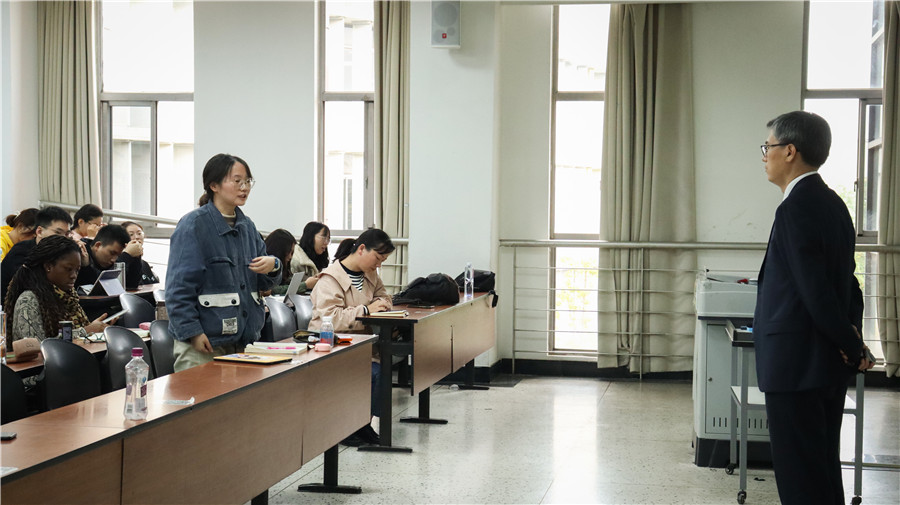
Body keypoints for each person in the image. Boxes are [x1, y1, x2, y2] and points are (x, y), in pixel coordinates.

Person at [753, 111, 874, 505]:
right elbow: (848, 283)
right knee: (822, 472)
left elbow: (815, 291)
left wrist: (851, 344)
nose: (765, 156)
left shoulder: (794, 208)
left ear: (790, 151)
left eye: (768, 147)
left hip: (796, 366)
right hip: (826, 363)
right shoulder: (834, 204)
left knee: (801, 481)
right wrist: (852, 341)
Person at [165, 153, 281, 371]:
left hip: (243, 342)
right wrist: (193, 332)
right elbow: (178, 288)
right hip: (204, 344)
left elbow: (264, 285)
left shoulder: (248, 227)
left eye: (248, 181)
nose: (244, 188)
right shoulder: (193, 225)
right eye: (237, 181)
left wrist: (273, 266)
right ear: (214, 185)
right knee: (202, 393)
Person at [308, 228, 394, 446]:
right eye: (377, 258)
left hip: (360, 345)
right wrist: (366, 310)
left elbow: (384, 296)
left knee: (381, 368)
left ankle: (363, 424)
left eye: (383, 261)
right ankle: (352, 426)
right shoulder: (330, 279)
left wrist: (383, 304)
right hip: (333, 346)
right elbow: (330, 318)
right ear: (362, 249)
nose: (378, 265)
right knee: (374, 372)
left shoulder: (370, 275)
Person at [4, 235, 112, 344]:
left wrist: (94, 330)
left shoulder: (69, 297)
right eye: (68, 269)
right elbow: (36, 347)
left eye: (77, 270)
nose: (74, 275)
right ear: (48, 266)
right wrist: (85, 331)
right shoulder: (28, 300)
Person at [1, 206, 83, 302]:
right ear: (39, 231)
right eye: (58, 232)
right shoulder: (20, 252)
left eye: (67, 234)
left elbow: (77, 285)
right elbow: (29, 286)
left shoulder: (61, 254)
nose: (63, 238)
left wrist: (85, 263)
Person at [74, 224, 143, 290]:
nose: (114, 260)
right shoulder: (79, 252)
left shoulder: (113, 259)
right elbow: (103, 285)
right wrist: (126, 256)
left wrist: (135, 257)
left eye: (119, 256)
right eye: (112, 253)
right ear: (98, 245)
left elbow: (131, 285)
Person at [291, 221, 330, 291]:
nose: (326, 242)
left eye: (328, 239)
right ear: (311, 237)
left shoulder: (319, 258)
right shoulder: (296, 260)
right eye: (324, 237)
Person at [263, 229, 297, 296]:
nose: (290, 257)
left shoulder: (285, 267)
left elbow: (285, 281)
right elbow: (272, 290)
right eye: (289, 252)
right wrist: (305, 285)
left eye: (292, 253)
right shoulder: (266, 265)